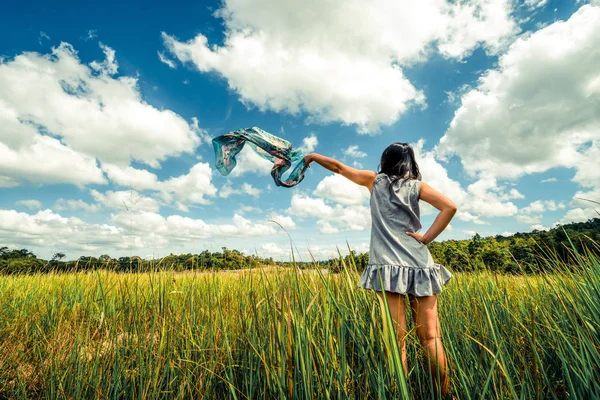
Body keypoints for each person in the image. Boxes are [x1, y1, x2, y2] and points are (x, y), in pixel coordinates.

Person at [304, 142, 456, 396]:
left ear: (386, 160)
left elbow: (339, 168)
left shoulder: (374, 181)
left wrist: (312, 156)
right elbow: (449, 207)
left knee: (397, 343)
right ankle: (445, 394)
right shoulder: (417, 187)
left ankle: (402, 394)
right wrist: (426, 238)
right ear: (410, 163)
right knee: (431, 339)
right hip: (420, 264)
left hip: (388, 267)